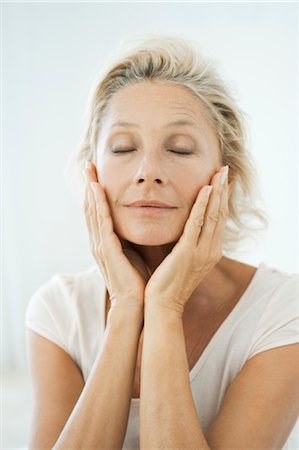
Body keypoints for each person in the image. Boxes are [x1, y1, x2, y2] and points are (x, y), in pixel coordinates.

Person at [25, 34, 299, 450]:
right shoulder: (58, 313)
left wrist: (165, 308)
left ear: (227, 177)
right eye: (123, 147)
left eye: (180, 149)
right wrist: (126, 310)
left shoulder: (281, 313)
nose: (148, 170)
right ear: (92, 176)